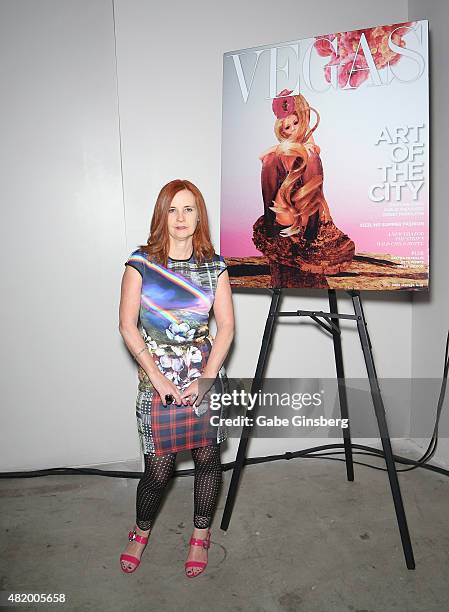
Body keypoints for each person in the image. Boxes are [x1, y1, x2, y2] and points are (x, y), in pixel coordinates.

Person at [118, 179, 234, 577]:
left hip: (203, 379)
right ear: (161, 215)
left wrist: (206, 379)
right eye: (173, 209)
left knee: (207, 459)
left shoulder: (215, 266)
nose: (181, 218)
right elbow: (128, 327)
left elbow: (227, 330)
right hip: (158, 381)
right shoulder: (141, 263)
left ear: (199, 215)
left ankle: (200, 536)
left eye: (188, 209)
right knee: (158, 470)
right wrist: (158, 379)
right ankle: (140, 530)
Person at [252, 88, 355, 288]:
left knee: (310, 159)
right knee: (270, 161)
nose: (291, 130)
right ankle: (273, 226)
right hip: (283, 217)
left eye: (295, 123)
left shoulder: (309, 150)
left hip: (308, 219)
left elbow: (312, 151)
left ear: (303, 118)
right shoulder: (277, 157)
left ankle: (309, 236)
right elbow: (263, 156)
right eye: (287, 127)